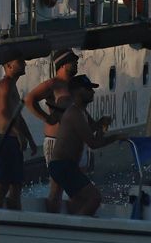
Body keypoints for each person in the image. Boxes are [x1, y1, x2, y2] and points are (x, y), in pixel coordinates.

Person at [46, 74, 121, 216]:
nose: (92, 92)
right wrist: (116, 137)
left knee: (74, 200)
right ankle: (76, 229)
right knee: (94, 198)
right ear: (78, 92)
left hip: (63, 164)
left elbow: (92, 131)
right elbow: (93, 143)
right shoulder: (75, 113)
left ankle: (62, 224)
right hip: (63, 165)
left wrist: (102, 125)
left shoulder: (82, 112)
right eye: (88, 89)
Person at [23, 49, 80, 213]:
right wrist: (46, 118)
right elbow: (29, 99)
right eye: (73, 62)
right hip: (55, 142)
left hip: (72, 143)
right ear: (62, 65)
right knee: (57, 186)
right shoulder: (53, 84)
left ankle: (71, 219)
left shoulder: (74, 86)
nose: (76, 64)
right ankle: (52, 219)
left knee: (74, 185)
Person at [0, 58, 39, 211]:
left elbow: (18, 117)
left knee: (16, 186)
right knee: (2, 186)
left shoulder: (12, 86)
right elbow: (3, 114)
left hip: (12, 141)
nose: (24, 63)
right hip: (4, 141)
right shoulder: (5, 85)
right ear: (9, 66)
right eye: (20, 62)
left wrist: (30, 139)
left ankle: (14, 218)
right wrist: (18, 134)